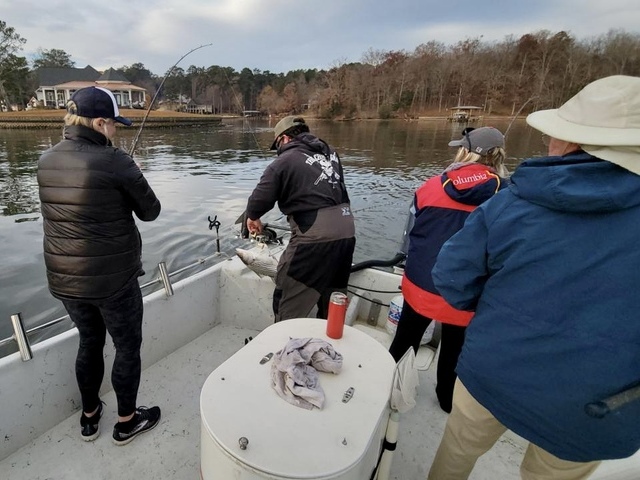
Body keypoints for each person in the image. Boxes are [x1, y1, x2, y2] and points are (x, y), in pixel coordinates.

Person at [428, 75, 640, 479]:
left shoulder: (511, 205)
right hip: (597, 408)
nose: (548, 143)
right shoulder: (502, 194)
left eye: (555, 135)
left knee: (456, 455)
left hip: (496, 371)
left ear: (575, 143)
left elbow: (452, 279)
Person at [37, 86, 162, 445]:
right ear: (99, 122)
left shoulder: (46, 160)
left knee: (89, 341)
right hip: (114, 282)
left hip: (65, 280)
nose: (117, 130)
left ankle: (89, 417)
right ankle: (126, 423)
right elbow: (150, 212)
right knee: (127, 347)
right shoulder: (117, 161)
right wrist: (133, 171)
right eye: (114, 125)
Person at [388, 127, 508, 413]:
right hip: (466, 298)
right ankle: (445, 399)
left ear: (465, 152)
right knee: (455, 347)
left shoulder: (428, 187)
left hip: (419, 287)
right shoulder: (507, 196)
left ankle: (389, 384)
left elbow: (408, 239)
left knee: (406, 339)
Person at [245, 116, 355, 321]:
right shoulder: (330, 153)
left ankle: (285, 344)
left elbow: (260, 198)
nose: (278, 150)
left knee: (287, 293)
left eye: (277, 144)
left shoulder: (285, 160)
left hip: (315, 236)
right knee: (333, 300)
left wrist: (252, 216)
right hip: (347, 232)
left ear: (284, 138)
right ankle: (330, 341)